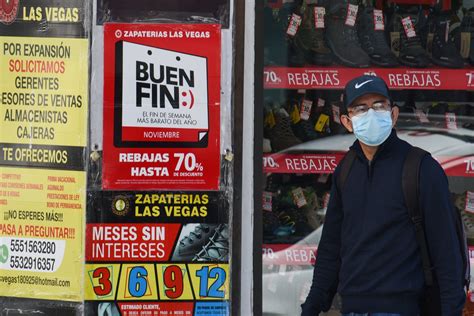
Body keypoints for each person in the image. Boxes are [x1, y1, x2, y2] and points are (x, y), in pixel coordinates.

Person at [301, 75, 466, 316]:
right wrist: (311, 308)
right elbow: (331, 250)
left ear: (393, 115)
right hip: (352, 310)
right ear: (347, 122)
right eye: (360, 108)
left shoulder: (421, 169)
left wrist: (451, 311)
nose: (371, 114)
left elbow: (447, 256)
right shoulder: (345, 172)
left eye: (379, 105)